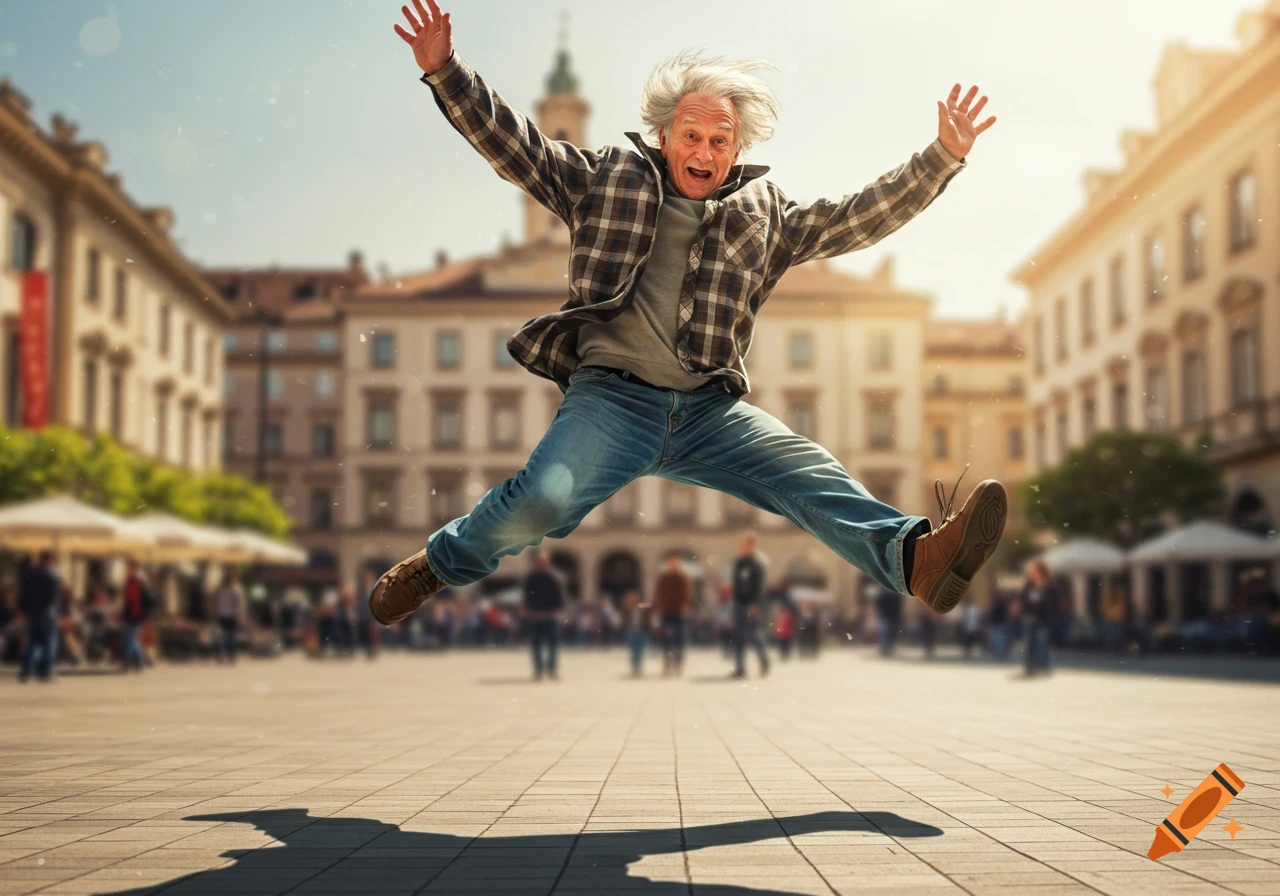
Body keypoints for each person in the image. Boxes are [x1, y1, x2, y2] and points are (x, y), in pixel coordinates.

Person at [369, 0, 1008, 629]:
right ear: (664, 137)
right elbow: (519, 147)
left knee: (808, 473)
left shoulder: (766, 215)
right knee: (541, 501)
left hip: (709, 410)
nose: (703, 152)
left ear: (736, 151)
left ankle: (915, 559)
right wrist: (447, 71)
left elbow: (858, 216)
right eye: (691, 136)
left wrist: (940, 158)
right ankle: (440, 562)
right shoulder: (605, 179)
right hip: (612, 402)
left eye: (719, 141)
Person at [18, 551, 62, 682]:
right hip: (47, 611)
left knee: (33, 641)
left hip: (32, 612)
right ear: (50, 559)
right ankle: (45, 671)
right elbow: (55, 597)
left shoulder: (30, 573)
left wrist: (23, 609)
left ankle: (27, 670)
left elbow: (23, 593)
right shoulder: (53, 575)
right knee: (49, 642)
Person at [521, 549, 565, 681]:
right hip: (535, 615)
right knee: (536, 645)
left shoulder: (553, 577)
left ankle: (551, 669)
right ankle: (539, 670)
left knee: (553, 645)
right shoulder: (530, 577)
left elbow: (560, 595)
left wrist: (561, 609)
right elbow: (527, 594)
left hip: (550, 615)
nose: (542, 563)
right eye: (540, 561)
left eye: (544, 561)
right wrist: (525, 607)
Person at [730, 534, 770, 679]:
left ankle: (764, 662)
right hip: (739, 604)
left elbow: (760, 586)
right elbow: (736, 584)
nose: (742, 547)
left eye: (745, 545)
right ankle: (740, 668)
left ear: (752, 546)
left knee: (755, 635)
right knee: (738, 636)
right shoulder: (739, 563)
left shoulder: (756, 564)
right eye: (741, 545)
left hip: (752, 605)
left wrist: (755, 604)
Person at [653, 552, 693, 677]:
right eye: (671, 562)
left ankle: (678, 663)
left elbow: (687, 594)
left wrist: (684, 606)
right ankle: (667, 663)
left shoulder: (683, 577)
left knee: (679, 640)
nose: (673, 564)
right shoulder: (663, 578)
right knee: (667, 639)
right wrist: (659, 606)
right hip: (667, 613)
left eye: (675, 562)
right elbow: (658, 593)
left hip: (679, 613)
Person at [1021, 560, 1059, 676]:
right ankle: (1030, 666)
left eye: (1037, 570)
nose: (1034, 573)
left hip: (1044, 619)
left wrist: (1044, 612)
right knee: (1030, 643)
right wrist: (1028, 613)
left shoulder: (1049, 586)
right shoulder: (1029, 585)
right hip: (1030, 619)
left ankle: (1043, 665)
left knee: (1043, 643)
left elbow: (1053, 602)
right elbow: (1023, 600)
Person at [119, 559, 154, 673]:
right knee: (133, 639)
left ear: (133, 569)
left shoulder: (134, 582)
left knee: (129, 639)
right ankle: (138, 663)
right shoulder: (138, 581)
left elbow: (131, 600)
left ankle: (127, 663)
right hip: (136, 615)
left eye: (128, 568)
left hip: (133, 615)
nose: (126, 570)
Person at [213, 571, 246, 664]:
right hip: (231, 616)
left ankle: (222, 655)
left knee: (222, 636)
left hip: (221, 616)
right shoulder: (234, 591)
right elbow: (237, 604)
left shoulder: (220, 591)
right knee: (232, 636)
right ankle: (231, 656)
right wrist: (240, 616)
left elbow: (216, 603)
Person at [622, 590, 649, 677]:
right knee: (634, 652)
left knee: (640, 651)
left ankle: (638, 668)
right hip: (632, 632)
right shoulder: (628, 609)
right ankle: (635, 668)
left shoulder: (643, 608)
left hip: (642, 632)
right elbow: (625, 620)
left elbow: (650, 605)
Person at [875, 586, 903, 657]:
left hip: (890, 616)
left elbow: (898, 606)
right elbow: (879, 604)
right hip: (887, 616)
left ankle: (887, 648)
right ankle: (886, 648)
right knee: (886, 633)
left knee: (889, 633)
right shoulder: (890, 594)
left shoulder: (893, 594)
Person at [987, 592, 1011, 660]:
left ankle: (999, 653)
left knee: (998, 639)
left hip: (998, 623)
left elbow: (993, 613)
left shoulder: (997, 604)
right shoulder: (1003, 604)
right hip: (1000, 622)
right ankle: (1000, 653)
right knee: (1001, 639)